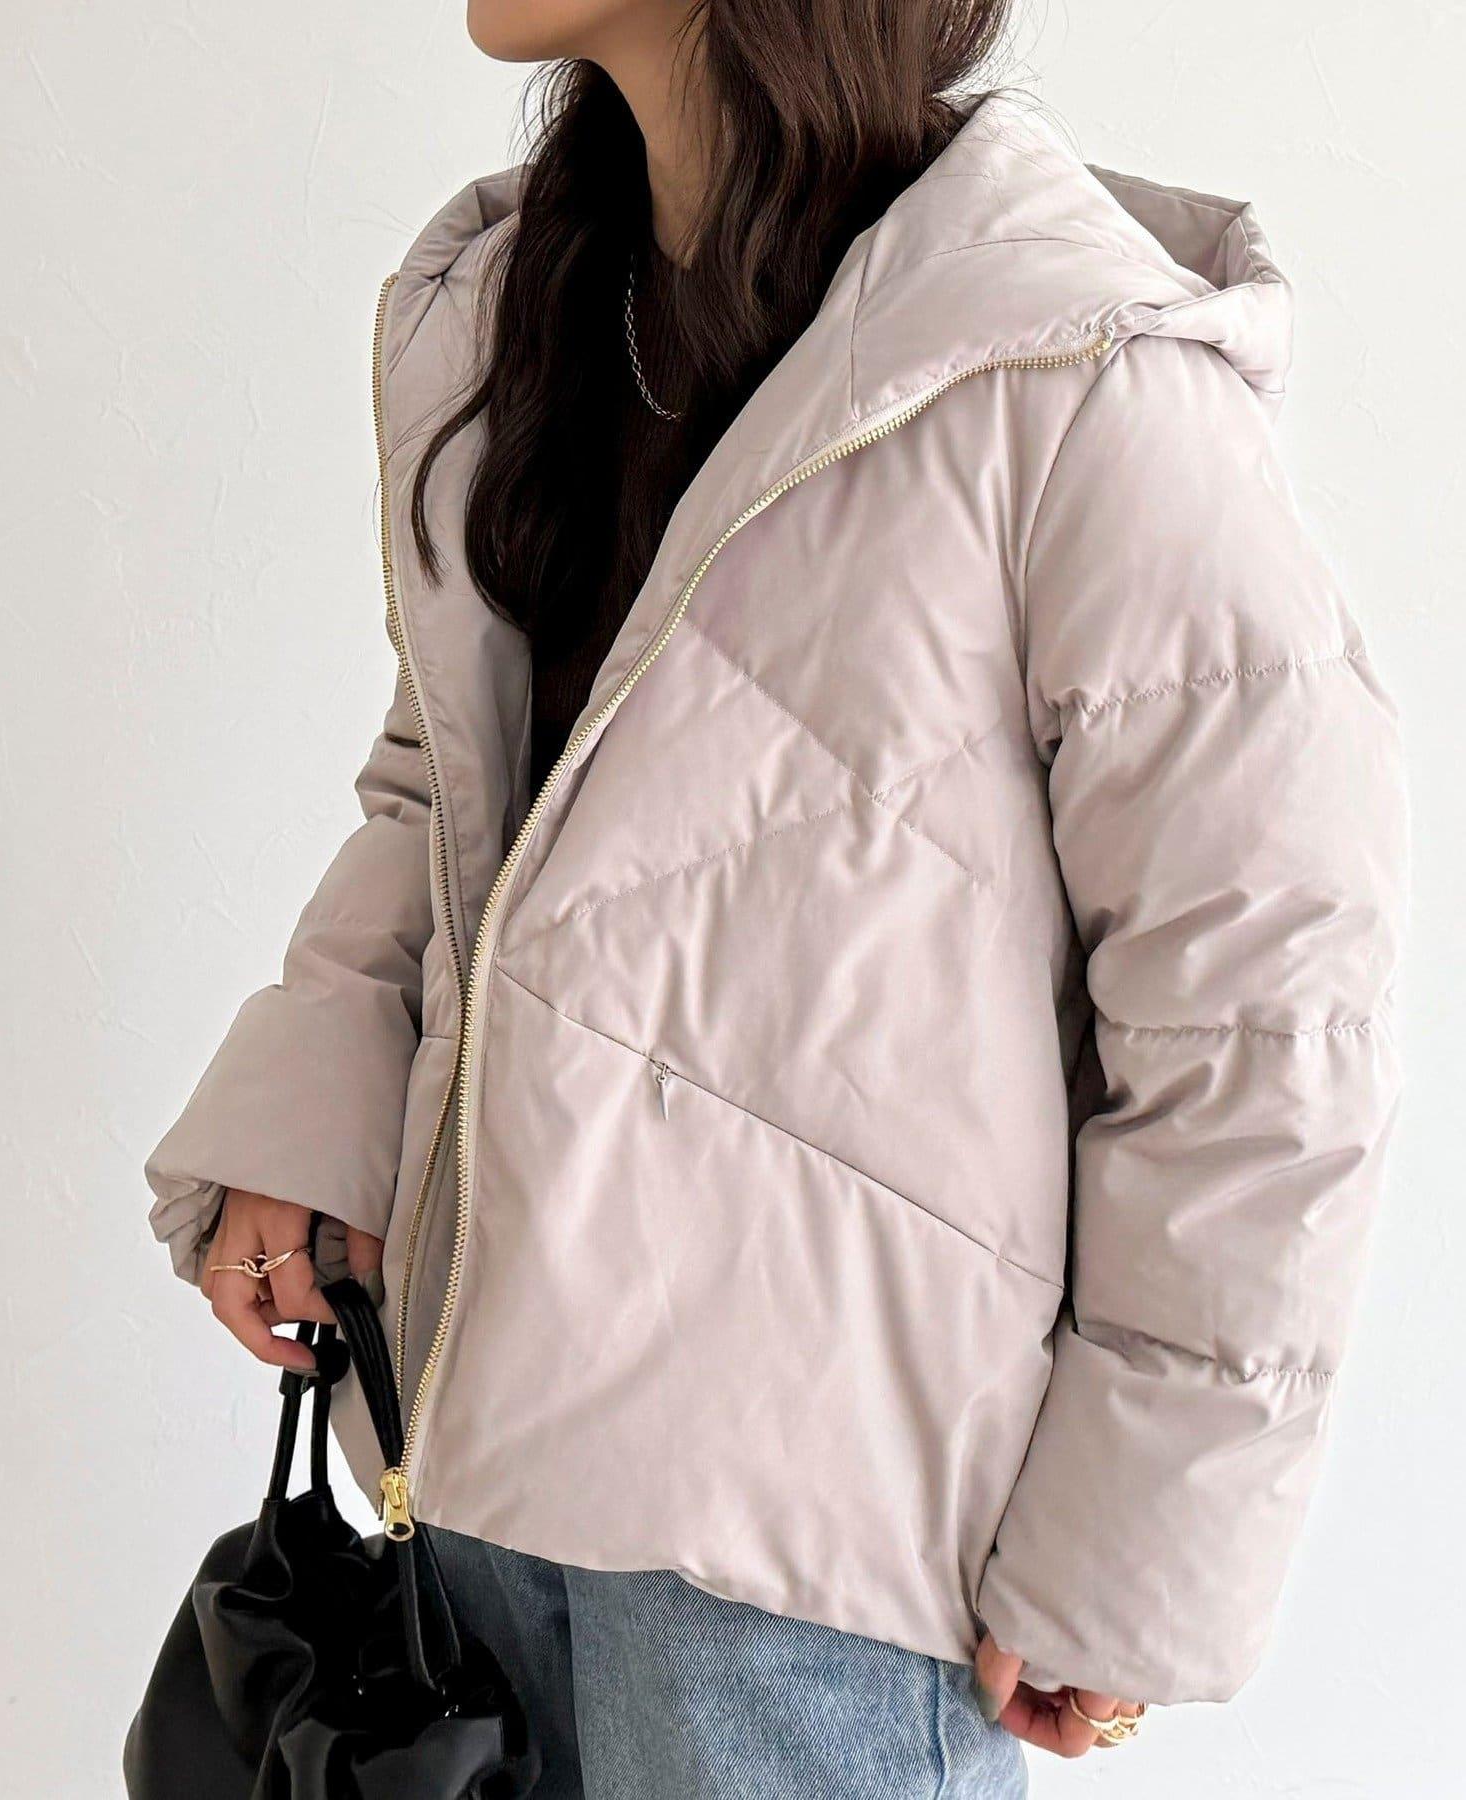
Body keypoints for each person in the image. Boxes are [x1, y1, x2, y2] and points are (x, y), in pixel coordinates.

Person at [143, 0, 1408, 1791]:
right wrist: (317, 1114)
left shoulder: (1072, 370)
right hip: (479, 1482)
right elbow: (455, 781)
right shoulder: (538, 314)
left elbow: (1268, 997)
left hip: (808, 1589)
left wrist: (1137, 1533)